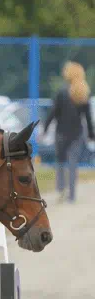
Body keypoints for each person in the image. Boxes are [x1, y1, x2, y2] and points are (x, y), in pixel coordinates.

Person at [42, 61, 94, 203]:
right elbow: (88, 117)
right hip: (77, 133)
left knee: (60, 162)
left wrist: (45, 129)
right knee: (72, 163)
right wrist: (91, 135)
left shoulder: (61, 92)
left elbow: (52, 113)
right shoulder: (83, 92)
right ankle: (72, 195)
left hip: (61, 133)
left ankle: (60, 190)